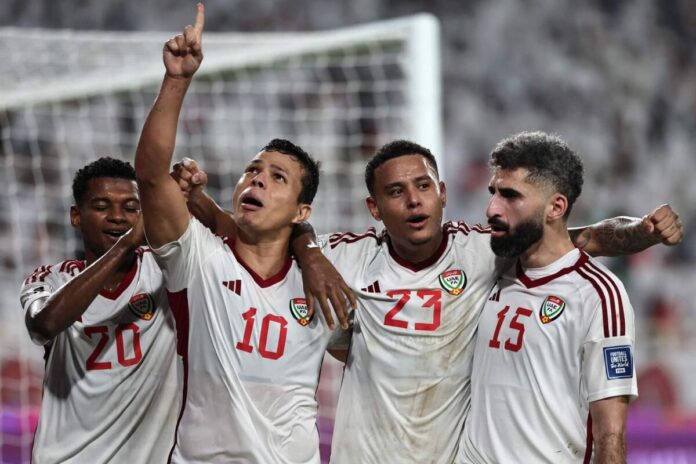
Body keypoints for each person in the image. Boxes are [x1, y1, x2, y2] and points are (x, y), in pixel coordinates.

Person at [178, 137, 682, 463]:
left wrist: (641, 231)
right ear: (374, 208)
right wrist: (305, 249)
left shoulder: (483, 252)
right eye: (396, 192)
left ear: (442, 192)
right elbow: (261, 234)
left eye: (423, 186)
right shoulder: (345, 258)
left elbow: (581, 237)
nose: (414, 199)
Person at [134, 5, 352, 462]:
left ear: (302, 211)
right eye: (252, 170)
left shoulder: (325, 279)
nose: (257, 180)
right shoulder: (199, 259)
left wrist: (309, 249)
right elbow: (152, 178)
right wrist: (176, 80)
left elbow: (367, 351)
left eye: (277, 177)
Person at [457, 131, 647, 463]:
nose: (491, 208)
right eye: (493, 193)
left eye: (510, 196)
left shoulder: (599, 295)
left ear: (556, 207)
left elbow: (611, 436)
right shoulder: (487, 270)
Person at [19, 157, 180, 463]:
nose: (118, 217)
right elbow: (42, 325)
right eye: (102, 206)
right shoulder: (51, 279)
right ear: (76, 217)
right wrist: (125, 246)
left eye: (131, 208)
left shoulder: (165, 270)